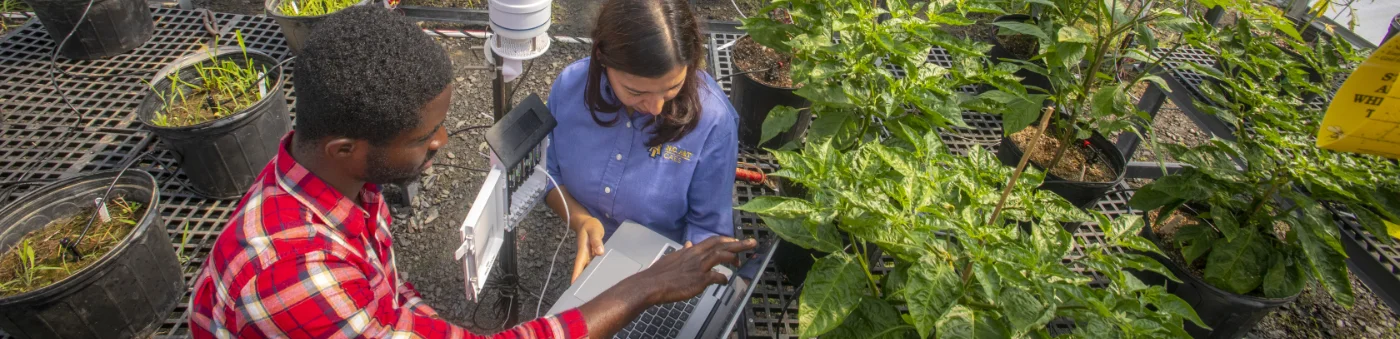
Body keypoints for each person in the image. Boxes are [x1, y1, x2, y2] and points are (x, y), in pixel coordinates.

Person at [187, 7, 755, 339]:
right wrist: (639, 289)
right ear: (344, 147)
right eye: (422, 137)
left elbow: (387, 296)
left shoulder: (337, 186)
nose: (442, 142)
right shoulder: (292, 279)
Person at [545, 0, 740, 283]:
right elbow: (546, 172)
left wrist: (685, 267)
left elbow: (709, 227)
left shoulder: (713, 122)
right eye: (636, 91)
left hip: (661, 273)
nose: (656, 107)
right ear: (602, 56)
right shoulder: (570, 87)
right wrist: (580, 220)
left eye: (673, 87)